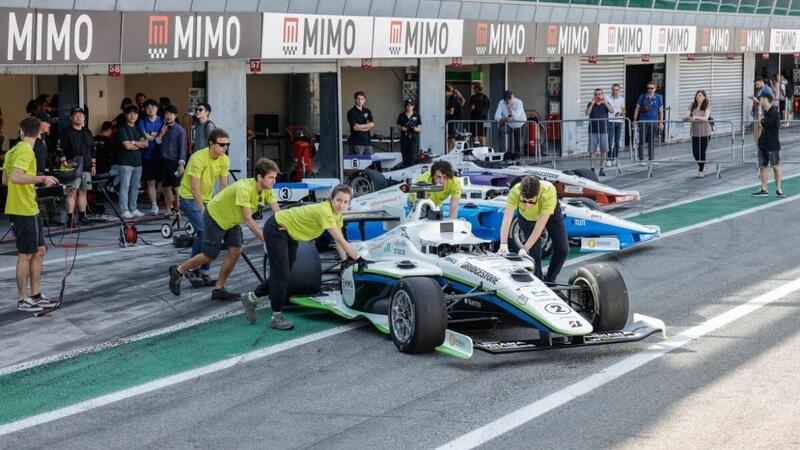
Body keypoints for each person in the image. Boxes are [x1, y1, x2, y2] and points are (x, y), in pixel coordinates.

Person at [240, 185, 362, 330]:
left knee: (284, 273)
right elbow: (341, 240)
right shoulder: (325, 211)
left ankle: (251, 297)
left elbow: (338, 241)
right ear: (331, 199)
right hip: (276, 228)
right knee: (282, 275)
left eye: (345, 202)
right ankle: (276, 317)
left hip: (290, 233)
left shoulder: (338, 215)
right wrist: (359, 258)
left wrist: (344, 261)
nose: (341, 205)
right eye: (338, 200)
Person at [169, 158, 280, 301]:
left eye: (275, 177)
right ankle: (179, 270)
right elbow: (247, 219)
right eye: (271, 177)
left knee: (235, 251)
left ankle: (218, 289)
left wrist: (285, 227)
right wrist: (265, 238)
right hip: (216, 216)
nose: (274, 181)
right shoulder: (244, 189)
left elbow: (278, 212)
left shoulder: (267, 190)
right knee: (210, 255)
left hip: (232, 220)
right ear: (259, 177)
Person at [2, 117, 60, 312]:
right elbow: (17, 176)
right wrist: (42, 178)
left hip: (28, 206)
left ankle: (35, 295)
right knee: (25, 254)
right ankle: (22, 299)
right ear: (39, 132)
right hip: (22, 209)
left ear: (21, 131)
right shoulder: (26, 151)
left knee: (40, 250)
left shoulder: (12, 151)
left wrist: (31, 186)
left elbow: (5, 179)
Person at [178, 128, 231, 288]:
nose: (225, 148)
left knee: (212, 233)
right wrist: (202, 209)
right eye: (221, 144)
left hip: (208, 199)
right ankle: (192, 269)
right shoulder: (198, 158)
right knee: (204, 231)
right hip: (189, 198)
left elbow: (223, 186)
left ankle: (203, 272)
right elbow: (194, 188)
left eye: (227, 145)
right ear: (211, 144)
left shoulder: (224, 159)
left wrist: (224, 209)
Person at [496, 176, 568, 283]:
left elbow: (539, 228)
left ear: (538, 195)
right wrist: (503, 244)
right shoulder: (515, 191)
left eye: (531, 202)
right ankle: (538, 281)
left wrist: (524, 248)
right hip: (527, 217)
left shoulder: (548, 192)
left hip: (550, 214)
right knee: (534, 255)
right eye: (523, 200)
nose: (527, 205)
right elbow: (506, 220)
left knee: (563, 249)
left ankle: (550, 281)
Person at [59, 107, 96, 227]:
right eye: (75, 115)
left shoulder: (88, 132)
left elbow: (92, 149)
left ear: (84, 117)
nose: (79, 117)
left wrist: (93, 165)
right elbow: (60, 149)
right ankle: (70, 219)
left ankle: (82, 216)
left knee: (83, 192)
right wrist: (64, 162)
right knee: (71, 192)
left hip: (86, 167)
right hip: (72, 167)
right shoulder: (66, 132)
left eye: (81, 115)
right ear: (71, 118)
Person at [155, 105, 188, 216]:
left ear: (175, 116)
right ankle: (168, 209)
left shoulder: (180, 130)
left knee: (177, 187)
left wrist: (181, 164)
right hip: (163, 161)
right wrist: (161, 133)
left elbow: (183, 147)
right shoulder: (162, 127)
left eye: (171, 114)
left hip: (175, 163)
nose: (169, 116)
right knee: (166, 187)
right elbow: (157, 143)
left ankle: (178, 208)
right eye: (167, 114)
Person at [117, 105, 148, 218]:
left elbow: (146, 143)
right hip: (125, 162)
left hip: (137, 162)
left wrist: (134, 143)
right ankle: (124, 210)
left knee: (135, 186)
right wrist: (137, 144)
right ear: (126, 115)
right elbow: (127, 146)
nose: (132, 116)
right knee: (125, 186)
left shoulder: (138, 128)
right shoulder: (122, 128)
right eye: (130, 113)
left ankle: (133, 208)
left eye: (135, 114)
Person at [752, 93, 784, 198]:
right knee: (763, 166)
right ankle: (764, 189)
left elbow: (763, 123)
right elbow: (760, 124)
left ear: (766, 99)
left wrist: (760, 115)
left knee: (775, 166)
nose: (760, 100)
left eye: (761, 98)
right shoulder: (766, 111)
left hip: (772, 144)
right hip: (763, 143)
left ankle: (779, 188)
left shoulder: (773, 112)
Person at [137, 99, 164, 215]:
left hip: (162, 155)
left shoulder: (162, 120)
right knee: (150, 182)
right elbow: (146, 136)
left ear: (157, 109)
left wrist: (152, 134)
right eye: (148, 107)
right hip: (147, 155)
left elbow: (163, 136)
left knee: (165, 182)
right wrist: (156, 134)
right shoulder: (141, 121)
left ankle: (168, 204)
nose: (150, 109)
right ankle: (154, 205)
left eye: (153, 106)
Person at [633, 82, 664, 165]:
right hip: (643, 121)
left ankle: (651, 159)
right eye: (648, 88)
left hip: (653, 122)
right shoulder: (642, 96)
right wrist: (635, 120)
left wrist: (661, 122)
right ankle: (641, 159)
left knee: (652, 141)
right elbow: (637, 108)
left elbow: (661, 111)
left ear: (655, 89)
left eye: (651, 88)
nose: (649, 90)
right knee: (642, 140)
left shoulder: (658, 97)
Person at [683, 90, 712, 178]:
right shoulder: (692, 105)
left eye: (700, 96)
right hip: (695, 132)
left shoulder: (707, 105)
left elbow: (706, 118)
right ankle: (702, 166)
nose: (698, 97)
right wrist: (686, 117)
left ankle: (701, 169)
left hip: (705, 132)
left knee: (702, 151)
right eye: (697, 95)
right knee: (695, 152)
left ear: (704, 97)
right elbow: (687, 115)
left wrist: (696, 117)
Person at [585, 88, 613, 176]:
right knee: (592, 150)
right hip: (593, 130)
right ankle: (592, 168)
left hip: (603, 130)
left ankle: (602, 168)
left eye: (600, 94)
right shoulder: (590, 103)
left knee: (604, 150)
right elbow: (587, 113)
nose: (598, 96)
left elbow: (612, 110)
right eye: (596, 94)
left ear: (602, 95)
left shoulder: (606, 103)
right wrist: (592, 103)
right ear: (594, 95)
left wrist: (605, 102)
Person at [494, 90, 527, 157]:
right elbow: (496, 116)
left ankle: (518, 159)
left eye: (509, 99)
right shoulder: (501, 103)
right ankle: (502, 154)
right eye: (506, 100)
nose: (508, 101)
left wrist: (510, 109)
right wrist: (504, 118)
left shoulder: (519, 102)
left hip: (520, 125)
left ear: (513, 97)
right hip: (509, 124)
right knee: (501, 130)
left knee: (518, 144)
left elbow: (516, 117)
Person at [396, 99, 422, 167]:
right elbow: (398, 127)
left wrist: (413, 128)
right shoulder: (401, 115)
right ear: (405, 106)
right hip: (405, 137)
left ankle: (412, 168)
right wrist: (403, 128)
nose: (409, 107)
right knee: (404, 154)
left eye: (411, 105)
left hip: (413, 137)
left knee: (413, 155)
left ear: (413, 106)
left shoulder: (416, 115)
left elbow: (419, 129)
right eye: (408, 105)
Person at [749, 77, 774, 147]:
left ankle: (763, 149)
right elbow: (758, 101)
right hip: (757, 113)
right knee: (756, 133)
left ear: (761, 81)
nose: (756, 86)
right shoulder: (759, 90)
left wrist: (755, 99)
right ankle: (759, 148)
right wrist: (754, 106)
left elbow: (766, 103)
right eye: (755, 85)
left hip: (763, 114)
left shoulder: (767, 89)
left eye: (757, 84)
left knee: (762, 132)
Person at [607, 83, 625, 166]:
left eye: (617, 90)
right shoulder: (607, 98)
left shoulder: (622, 99)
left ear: (619, 90)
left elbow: (624, 110)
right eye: (614, 89)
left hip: (619, 122)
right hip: (610, 121)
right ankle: (609, 158)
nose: (615, 91)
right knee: (610, 141)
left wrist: (621, 113)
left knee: (617, 141)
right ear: (611, 90)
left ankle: (615, 157)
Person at [445, 84, 461, 150]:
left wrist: (442, 110)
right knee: (450, 138)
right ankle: (450, 153)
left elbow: (451, 112)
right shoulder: (455, 97)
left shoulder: (452, 99)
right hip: (454, 120)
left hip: (452, 121)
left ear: (448, 91)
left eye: (445, 91)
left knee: (452, 138)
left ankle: (455, 152)